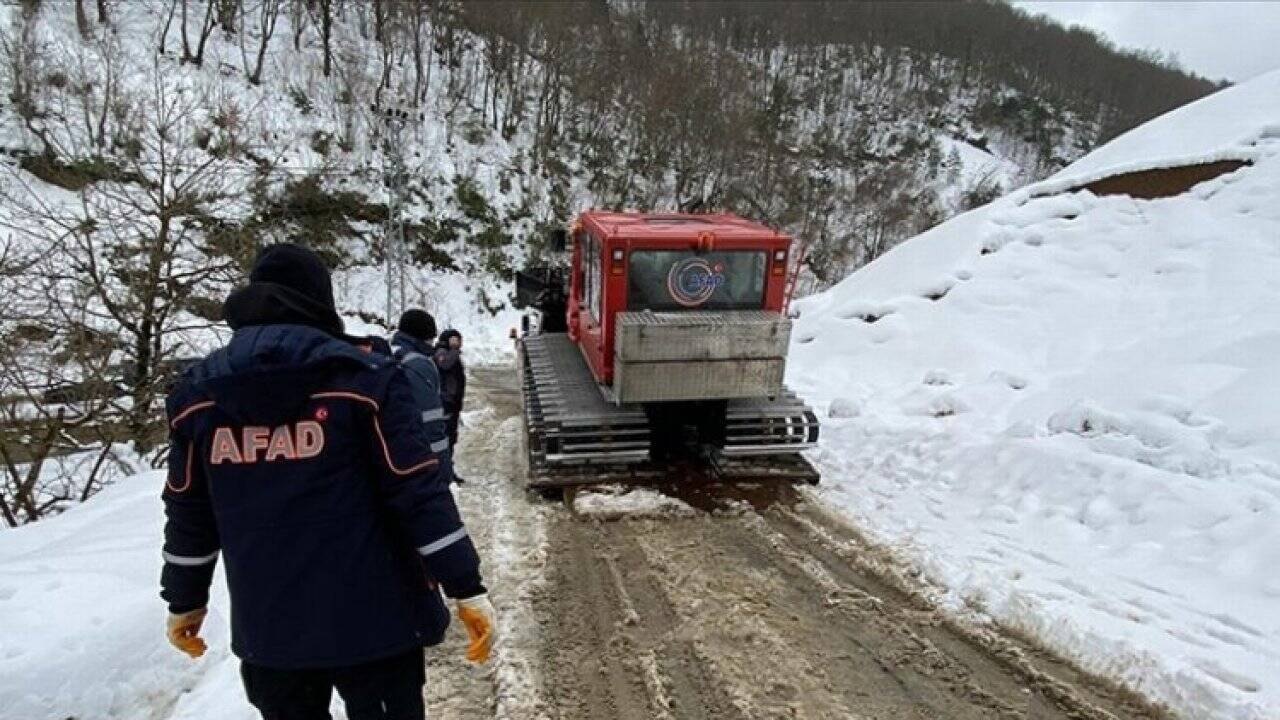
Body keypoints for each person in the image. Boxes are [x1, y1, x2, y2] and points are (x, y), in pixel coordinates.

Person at [160, 244, 495, 720]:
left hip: (271, 632)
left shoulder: (199, 395)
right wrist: (466, 586)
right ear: (322, 302)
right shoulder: (366, 381)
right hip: (378, 627)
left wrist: (184, 599)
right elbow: (417, 492)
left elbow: (188, 511)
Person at [389, 309, 456, 484]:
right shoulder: (419, 365)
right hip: (418, 462)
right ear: (423, 337)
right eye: (430, 338)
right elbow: (431, 422)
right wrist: (443, 471)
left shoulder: (389, 354)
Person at [433, 329, 466, 482]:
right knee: (445, 440)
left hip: (452, 404)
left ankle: (448, 470)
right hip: (446, 404)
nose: (459, 343)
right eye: (457, 340)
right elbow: (444, 364)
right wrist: (453, 349)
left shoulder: (450, 353)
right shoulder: (442, 351)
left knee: (451, 439)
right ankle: (443, 472)